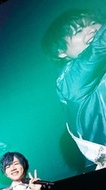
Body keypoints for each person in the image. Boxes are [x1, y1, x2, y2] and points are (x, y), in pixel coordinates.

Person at [41, 8, 106, 170]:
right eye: (79, 30)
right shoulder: (68, 80)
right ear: (61, 52)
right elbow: (98, 49)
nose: (92, 29)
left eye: (93, 23)